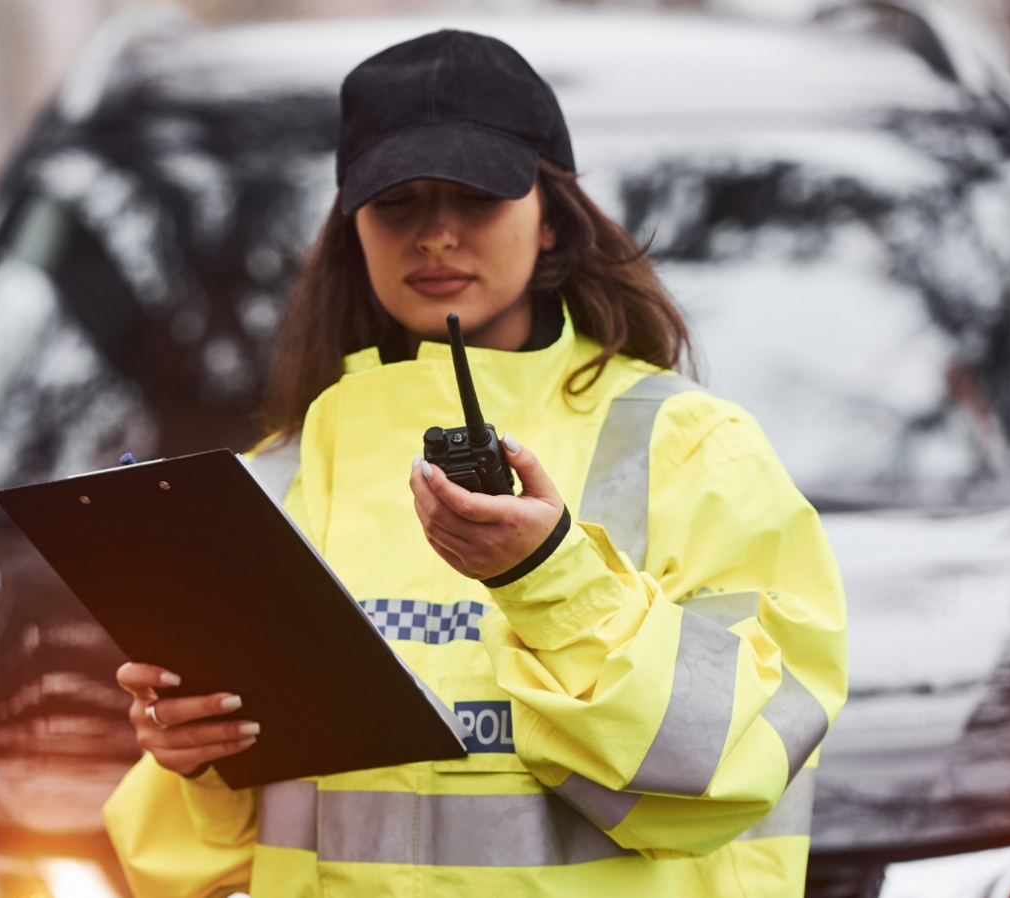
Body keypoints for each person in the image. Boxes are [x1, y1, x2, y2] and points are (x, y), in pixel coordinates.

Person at [103, 29, 846, 898]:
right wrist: (193, 757)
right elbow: (193, 864)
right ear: (353, 229)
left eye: (475, 197)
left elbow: (729, 768)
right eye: (398, 202)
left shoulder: (694, 448)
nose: (436, 235)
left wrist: (549, 577)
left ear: (554, 218)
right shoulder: (276, 478)